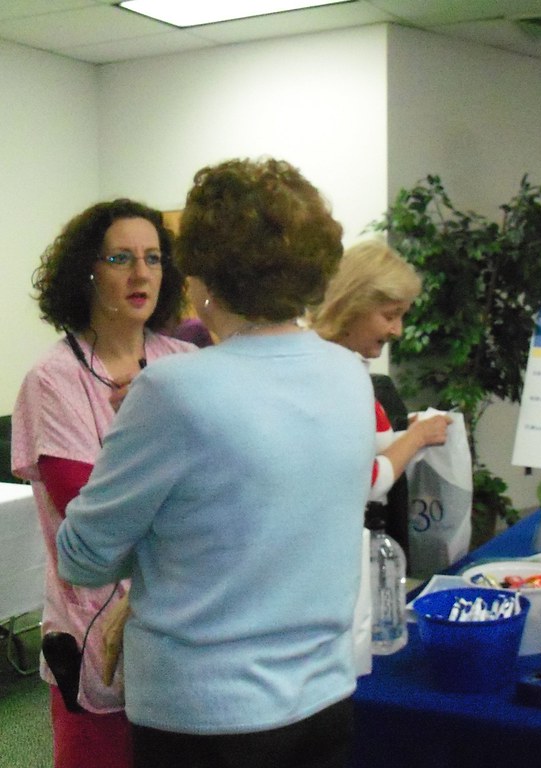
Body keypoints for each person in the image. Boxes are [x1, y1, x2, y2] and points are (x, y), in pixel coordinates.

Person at [55, 157, 376, 768]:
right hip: (325, 699)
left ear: (201, 270)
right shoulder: (346, 373)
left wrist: (132, 445)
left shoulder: (174, 391)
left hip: (207, 719)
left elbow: (82, 557)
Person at [11, 198, 194, 768]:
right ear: (87, 271)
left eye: (154, 258)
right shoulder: (54, 380)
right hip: (94, 633)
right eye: (121, 258)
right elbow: (95, 521)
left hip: (184, 625)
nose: (142, 274)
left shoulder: (184, 361)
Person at [309, 239, 450, 544]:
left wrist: (409, 437)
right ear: (351, 307)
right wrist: (416, 438)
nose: (397, 330)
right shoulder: (336, 376)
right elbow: (366, 481)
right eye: (389, 316)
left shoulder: (338, 367)